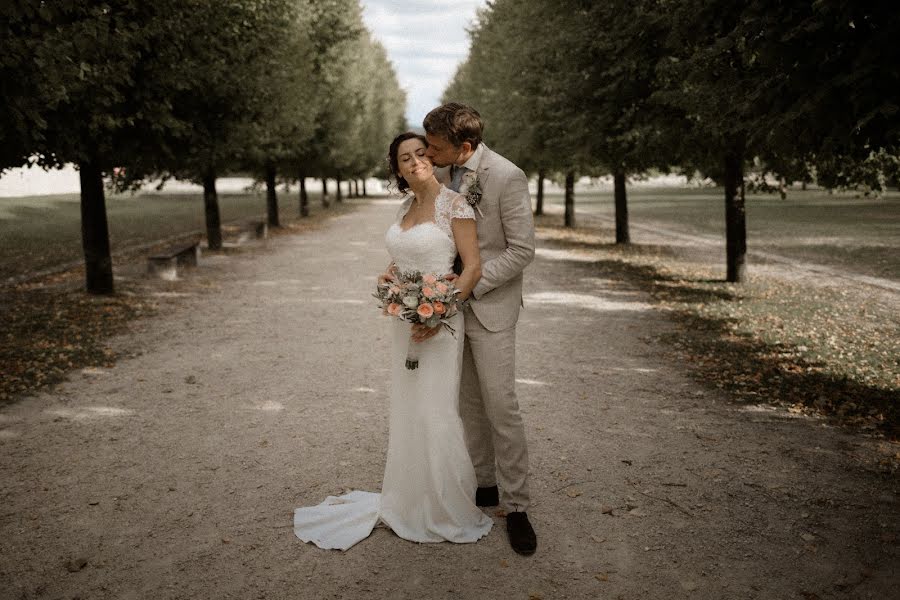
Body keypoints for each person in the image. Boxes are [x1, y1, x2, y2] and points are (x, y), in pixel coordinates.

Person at [292, 132, 492, 550]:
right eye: (406, 157)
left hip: (440, 325)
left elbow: (471, 268)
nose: (416, 160)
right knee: (407, 408)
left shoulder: (455, 204)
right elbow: (405, 254)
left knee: (436, 408)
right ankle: (407, 496)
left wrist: (441, 313)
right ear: (398, 169)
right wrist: (389, 275)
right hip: (405, 322)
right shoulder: (407, 206)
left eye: (422, 153)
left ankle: (444, 506)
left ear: (432, 159)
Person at [420, 103, 537, 555]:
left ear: (464, 147)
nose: (428, 153)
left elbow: (521, 250)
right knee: (468, 401)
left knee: (501, 405)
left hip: (489, 307)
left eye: (436, 146)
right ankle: (484, 485)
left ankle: (518, 505)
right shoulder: (442, 174)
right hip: (449, 310)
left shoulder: (507, 176)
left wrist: (470, 286)